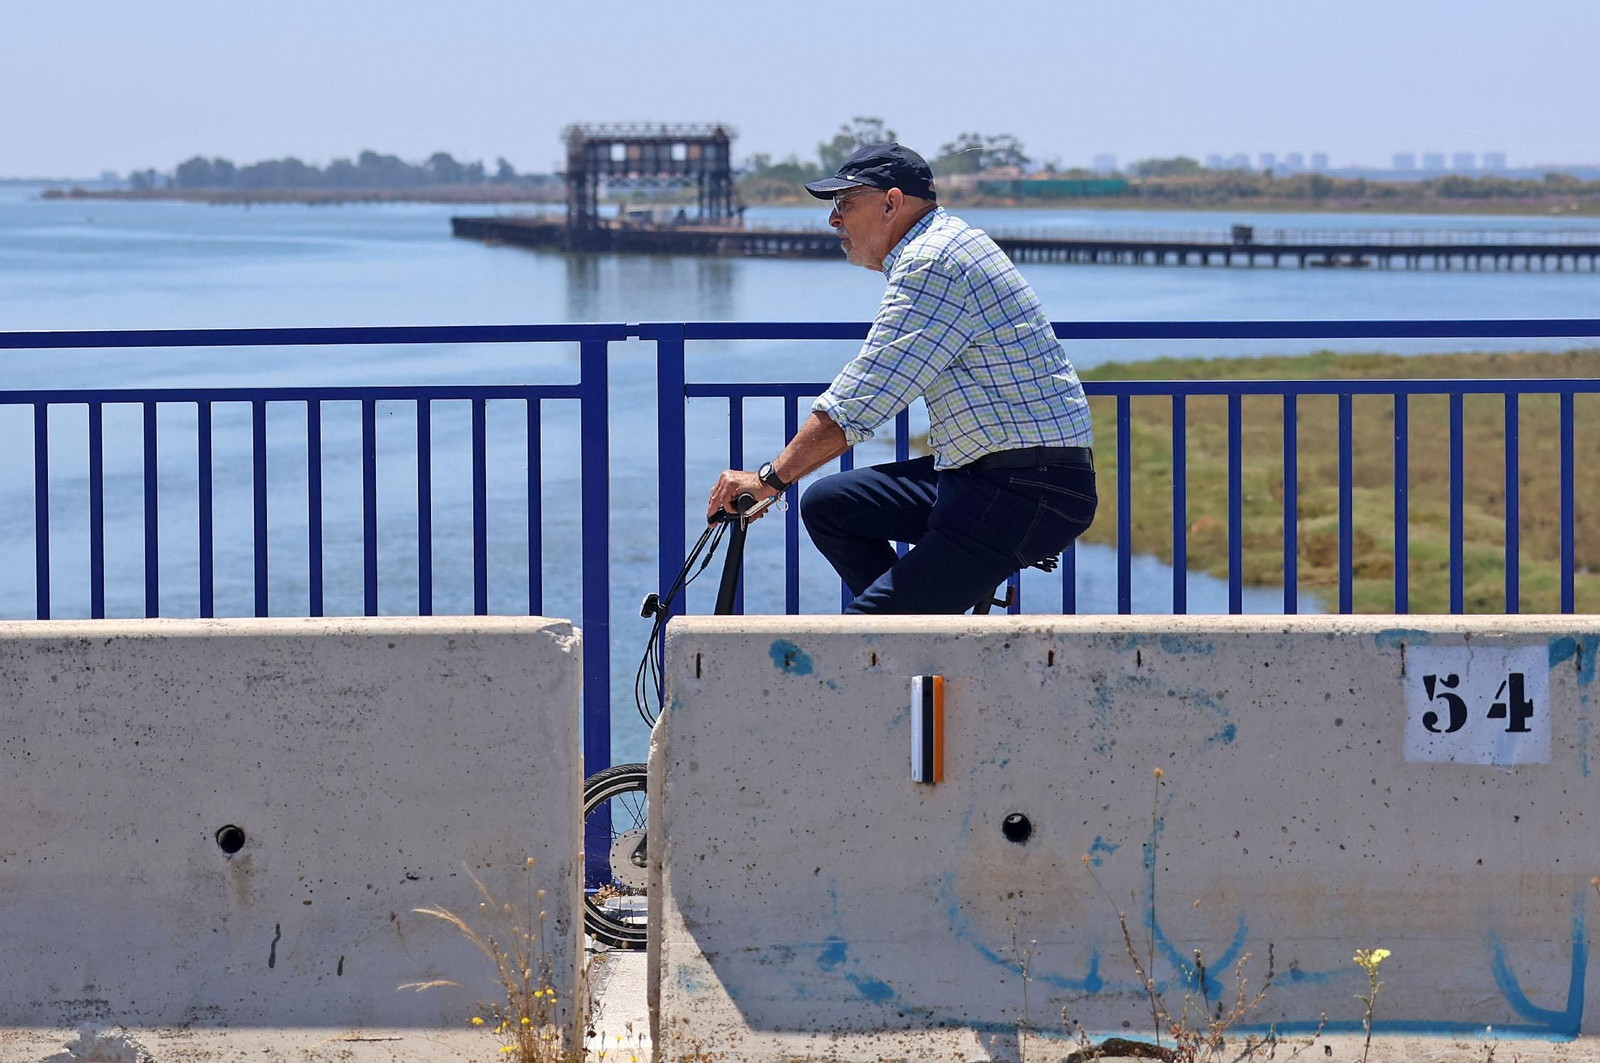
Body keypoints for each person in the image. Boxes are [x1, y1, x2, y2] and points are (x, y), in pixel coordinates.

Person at [705, 143, 1096, 614]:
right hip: (992, 472)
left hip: (1025, 488)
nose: (834, 220)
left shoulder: (933, 262)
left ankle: (907, 627)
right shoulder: (947, 244)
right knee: (830, 504)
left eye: (845, 204)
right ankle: (930, 622)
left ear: (891, 203)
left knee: (867, 636)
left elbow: (862, 400)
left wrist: (768, 480)